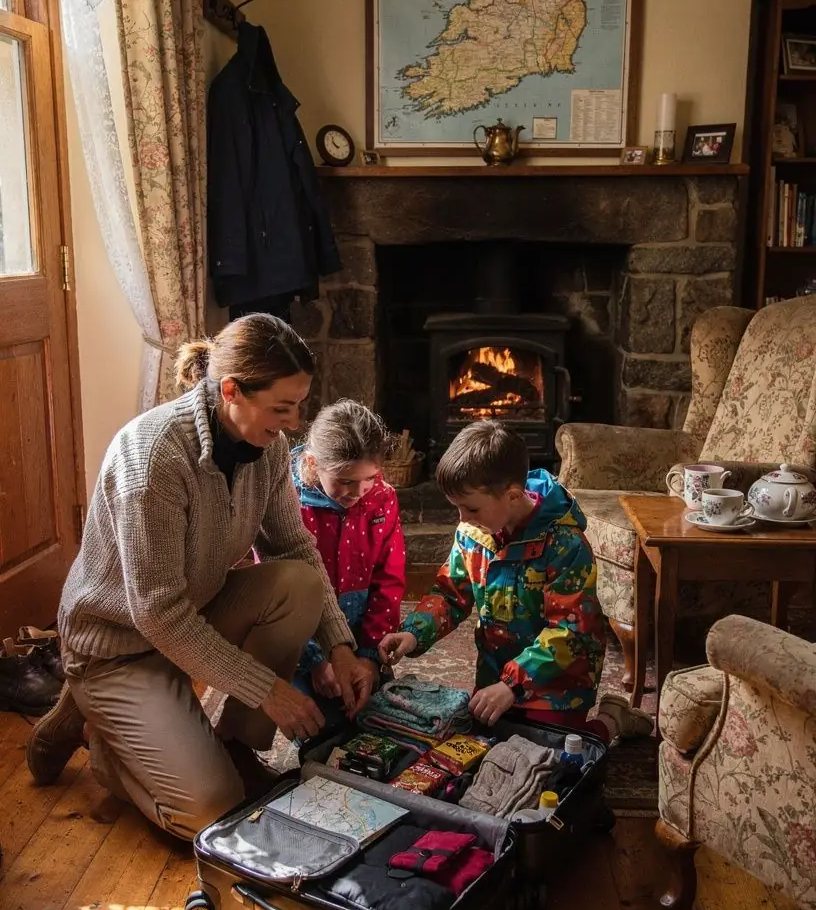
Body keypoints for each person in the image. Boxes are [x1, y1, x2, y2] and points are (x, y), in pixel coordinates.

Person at [26, 315, 377, 839]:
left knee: (296, 583)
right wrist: (269, 691)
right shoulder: (153, 459)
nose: (294, 422)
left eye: (300, 404)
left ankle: (234, 744)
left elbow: (293, 544)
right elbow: (157, 614)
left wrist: (340, 647)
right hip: (118, 644)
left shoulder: (269, 445)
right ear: (231, 390)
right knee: (211, 811)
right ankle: (100, 738)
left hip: (189, 616)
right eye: (282, 408)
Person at [378, 420, 651, 743]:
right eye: (457, 509)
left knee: (558, 755)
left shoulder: (565, 544)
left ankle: (611, 720)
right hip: (496, 675)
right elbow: (451, 594)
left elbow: (570, 632)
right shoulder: (473, 532)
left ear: (512, 496)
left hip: (559, 683)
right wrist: (413, 632)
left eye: (471, 508)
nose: (462, 519)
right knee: (473, 745)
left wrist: (513, 684)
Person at [291, 401, 406, 703]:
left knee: (379, 718)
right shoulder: (288, 502)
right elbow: (283, 597)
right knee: (319, 731)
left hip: (361, 637)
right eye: (345, 481)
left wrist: (369, 656)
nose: (358, 492)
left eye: (370, 478)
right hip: (299, 643)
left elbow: (389, 580)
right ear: (313, 463)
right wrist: (316, 661)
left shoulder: (383, 499)